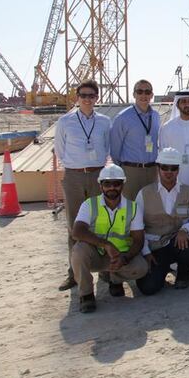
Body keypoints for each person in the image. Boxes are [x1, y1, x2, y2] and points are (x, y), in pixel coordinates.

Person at [55, 79, 111, 291]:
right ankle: (74, 273)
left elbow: (107, 146)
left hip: (98, 175)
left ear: (97, 98)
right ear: (77, 98)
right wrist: (77, 166)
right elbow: (60, 150)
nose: (87, 99)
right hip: (74, 176)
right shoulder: (65, 121)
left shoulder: (105, 121)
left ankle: (105, 269)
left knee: (102, 222)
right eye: (83, 95)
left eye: (91, 95)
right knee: (74, 226)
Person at [70, 165, 149, 313]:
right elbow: (77, 231)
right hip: (95, 255)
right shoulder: (90, 204)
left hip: (119, 256)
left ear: (123, 185)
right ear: (100, 186)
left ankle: (115, 279)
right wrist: (105, 244)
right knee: (78, 251)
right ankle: (86, 294)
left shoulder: (133, 208)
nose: (112, 187)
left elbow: (138, 240)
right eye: (107, 183)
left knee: (141, 268)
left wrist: (124, 258)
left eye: (116, 183)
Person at [135, 147, 189, 294]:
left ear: (178, 170)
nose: (169, 172)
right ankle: (162, 270)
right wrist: (146, 252)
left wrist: (185, 230)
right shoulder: (144, 194)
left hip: (176, 242)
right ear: (158, 168)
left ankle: (183, 274)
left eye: (173, 168)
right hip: (154, 248)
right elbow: (137, 227)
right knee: (148, 288)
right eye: (164, 167)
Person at [110, 79, 161, 200]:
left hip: (152, 170)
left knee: (151, 208)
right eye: (140, 91)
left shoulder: (156, 116)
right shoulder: (123, 117)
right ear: (134, 94)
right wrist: (124, 169)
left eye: (147, 92)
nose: (144, 95)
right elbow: (115, 149)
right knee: (130, 208)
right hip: (131, 171)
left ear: (151, 95)